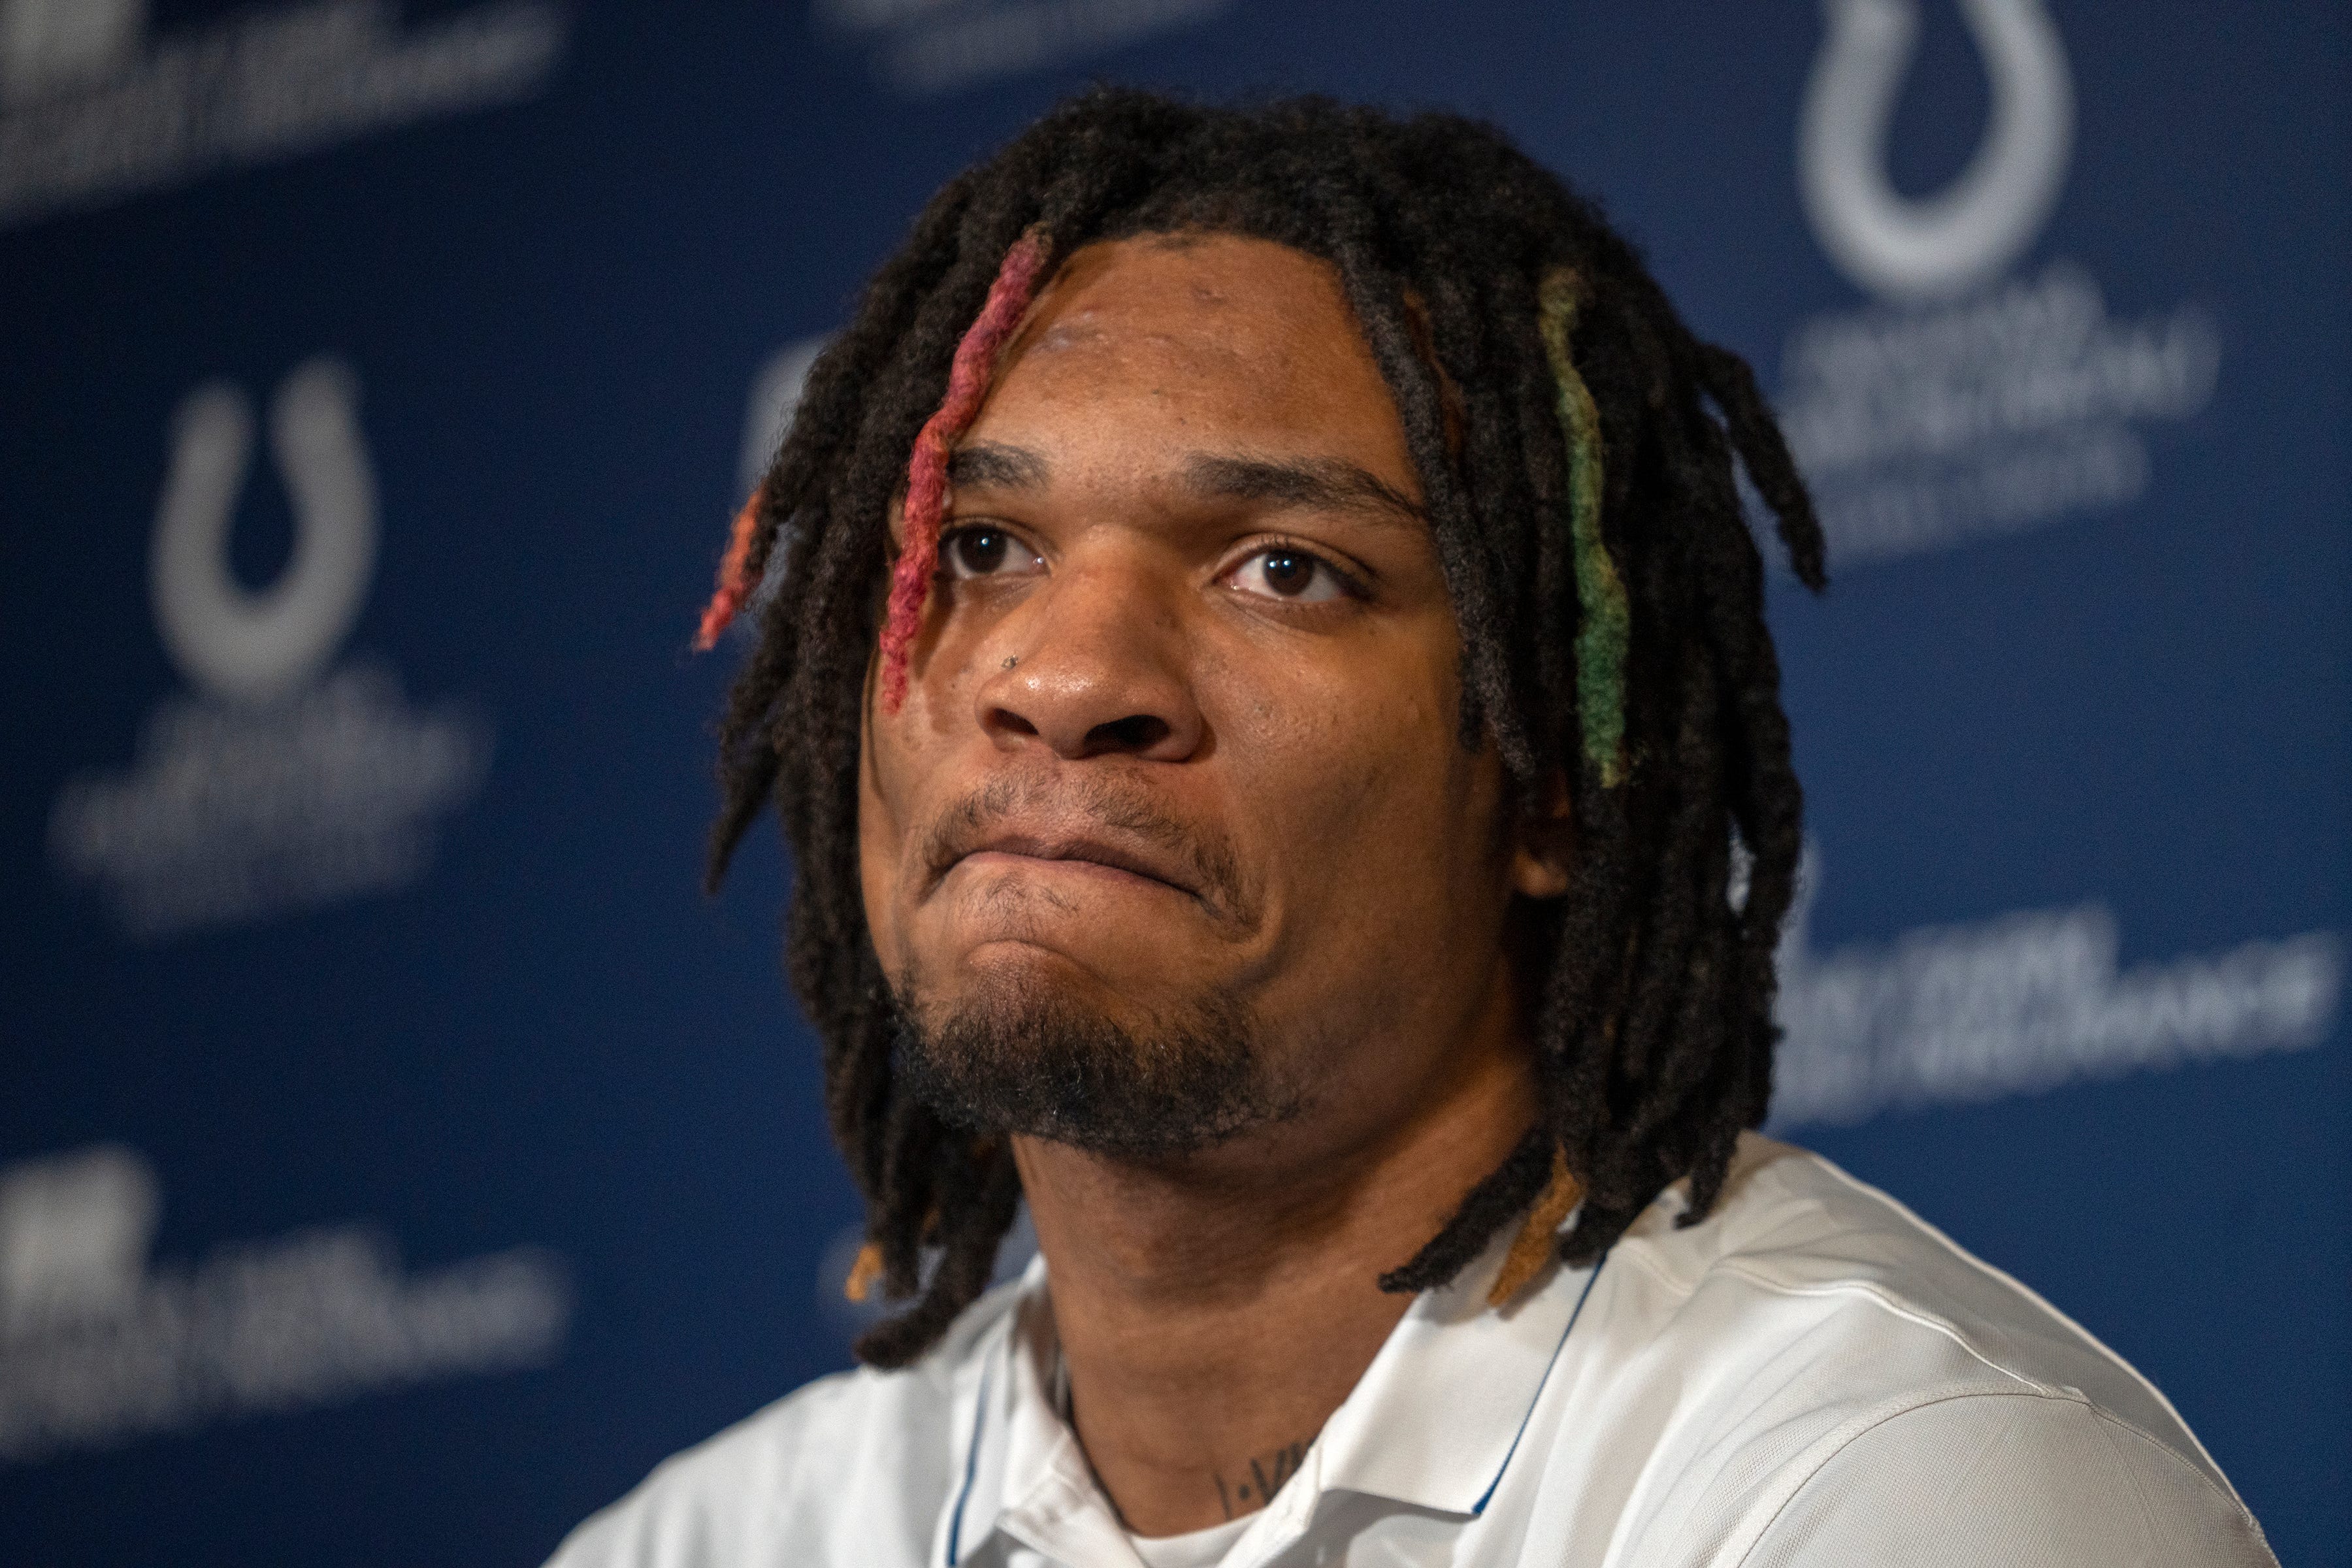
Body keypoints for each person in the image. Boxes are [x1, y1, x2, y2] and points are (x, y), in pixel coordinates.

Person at [549, 90, 2276, 1567]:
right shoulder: (717, 1541)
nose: (1065, 674)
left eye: (1284, 569)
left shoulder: (1892, 1491)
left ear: (1546, 781)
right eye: (986, 547)